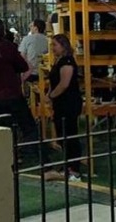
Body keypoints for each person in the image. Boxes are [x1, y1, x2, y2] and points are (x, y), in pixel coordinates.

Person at [0, 18, 36, 141]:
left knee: (1, 127)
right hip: (9, 93)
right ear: (1, 31)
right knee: (28, 127)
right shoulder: (7, 47)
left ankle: (3, 147)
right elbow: (23, 66)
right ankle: (25, 148)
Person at [44, 34, 83, 181]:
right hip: (60, 103)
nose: (52, 48)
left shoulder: (67, 62)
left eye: (55, 45)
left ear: (63, 46)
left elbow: (64, 84)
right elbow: (54, 81)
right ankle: (68, 164)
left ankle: (74, 169)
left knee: (70, 135)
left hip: (69, 103)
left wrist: (51, 95)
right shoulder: (58, 61)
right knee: (62, 134)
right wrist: (49, 94)